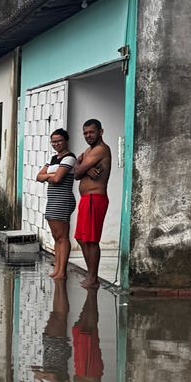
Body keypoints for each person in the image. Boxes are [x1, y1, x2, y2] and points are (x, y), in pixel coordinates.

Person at [72, 119, 113, 290]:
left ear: (100, 132)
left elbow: (76, 173)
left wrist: (81, 167)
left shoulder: (101, 150)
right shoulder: (89, 151)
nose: (88, 135)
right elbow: (77, 169)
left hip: (95, 198)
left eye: (91, 132)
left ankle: (93, 278)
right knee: (81, 239)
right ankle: (91, 274)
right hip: (86, 199)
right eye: (85, 133)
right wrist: (83, 167)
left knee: (91, 240)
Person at [35, 128, 78, 281]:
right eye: (53, 141)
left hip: (63, 200)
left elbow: (58, 179)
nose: (56, 144)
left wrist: (49, 176)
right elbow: (38, 176)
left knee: (62, 237)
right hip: (53, 200)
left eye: (59, 140)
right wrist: (51, 175)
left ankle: (62, 271)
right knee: (56, 237)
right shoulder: (53, 159)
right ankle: (58, 268)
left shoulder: (69, 158)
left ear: (66, 140)